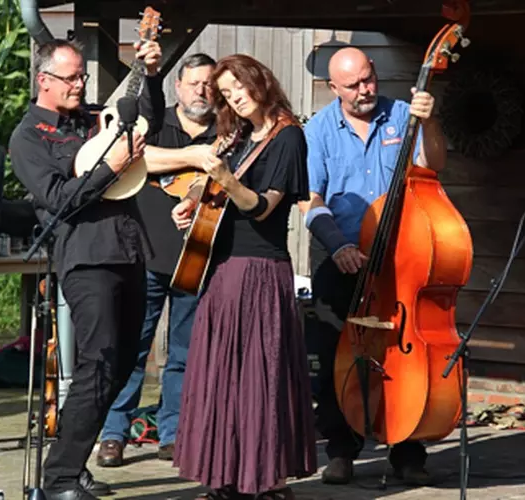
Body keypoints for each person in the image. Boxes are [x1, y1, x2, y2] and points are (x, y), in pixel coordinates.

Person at [8, 38, 164, 500]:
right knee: (97, 363)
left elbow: (144, 123)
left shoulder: (95, 119)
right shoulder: (29, 137)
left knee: (119, 368)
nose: (81, 84)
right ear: (44, 81)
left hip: (130, 250)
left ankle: (71, 467)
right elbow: (58, 202)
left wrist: (151, 77)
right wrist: (109, 168)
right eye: (72, 77)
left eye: (82, 77)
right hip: (86, 257)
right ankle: (58, 481)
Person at [298, 46, 448, 486]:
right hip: (339, 252)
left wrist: (431, 122)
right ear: (333, 88)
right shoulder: (319, 129)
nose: (365, 90)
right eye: (353, 85)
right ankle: (342, 450)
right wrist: (339, 244)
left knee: (402, 354)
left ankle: (407, 450)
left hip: (400, 254)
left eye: (369, 78)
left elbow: (433, 166)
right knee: (335, 355)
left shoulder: (404, 114)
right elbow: (311, 199)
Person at [170, 54, 317, 499]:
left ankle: (264, 480)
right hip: (222, 267)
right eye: (226, 91)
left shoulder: (287, 137)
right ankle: (226, 478)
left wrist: (225, 179)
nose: (234, 95)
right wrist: (193, 200)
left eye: (239, 86)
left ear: (260, 81)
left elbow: (262, 206)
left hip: (259, 271)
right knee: (220, 378)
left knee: (258, 378)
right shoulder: (237, 137)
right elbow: (207, 185)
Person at [95, 53, 218, 467]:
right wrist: (195, 157)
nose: (202, 90)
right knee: (132, 348)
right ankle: (114, 434)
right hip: (146, 254)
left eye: (209, 83)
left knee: (183, 354)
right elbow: (135, 155)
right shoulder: (156, 122)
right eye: (194, 82)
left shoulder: (227, 132)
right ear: (178, 87)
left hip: (197, 257)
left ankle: (173, 433)